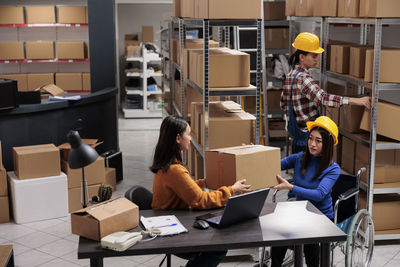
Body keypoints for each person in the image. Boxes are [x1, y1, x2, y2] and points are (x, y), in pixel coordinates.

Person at [150, 115, 252, 267]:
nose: (191, 138)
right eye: (188, 134)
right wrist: (231, 190)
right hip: (172, 228)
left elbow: (182, 188)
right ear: (178, 138)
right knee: (218, 248)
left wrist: (201, 183)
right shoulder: (175, 170)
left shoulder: (167, 165)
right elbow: (201, 201)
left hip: (172, 218)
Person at [281, 32, 371, 153]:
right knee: (312, 171)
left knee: (301, 170)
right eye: (313, 56)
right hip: (308, 140)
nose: (317, 59)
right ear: (301, 57)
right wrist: (356, 101)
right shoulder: (303, 78)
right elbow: (323, 98)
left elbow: (283, 104)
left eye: (317, 55)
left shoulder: (290, 76)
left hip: (297, 139)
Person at [270, 116, 340, 267]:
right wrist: (255, 152)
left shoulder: (333, 169)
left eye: (318, 141)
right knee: (278, 233)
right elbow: (272, 164)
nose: (312, 144)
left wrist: (291, 187)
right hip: (300, 213)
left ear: (327, 144)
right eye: (310, 138)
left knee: (311, 245)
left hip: (320, 217)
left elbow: (319, 194)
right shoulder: (299, 158)